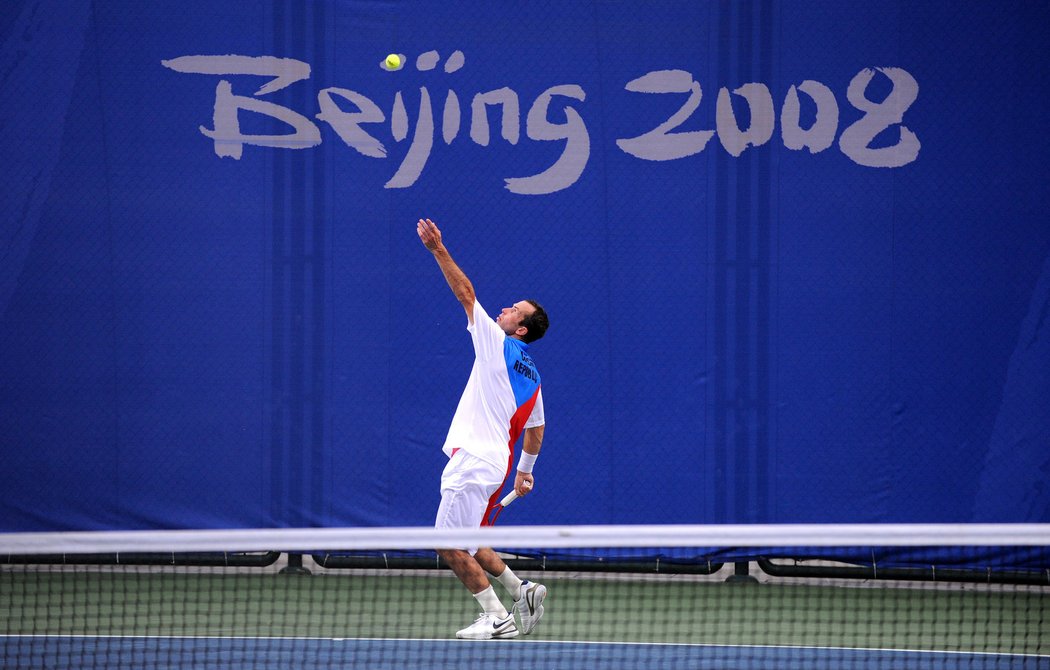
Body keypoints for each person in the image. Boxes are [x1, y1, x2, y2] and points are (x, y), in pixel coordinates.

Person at [416, 217, 550, 640]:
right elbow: (537, 427)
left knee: (448, 543)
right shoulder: (533, 374)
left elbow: (466, 293)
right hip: (493, 464)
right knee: (471, 542)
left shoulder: (498, 342)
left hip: (474, 460)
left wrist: (439, 249)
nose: (505, 309)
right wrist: (525, 471)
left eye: (514, 310)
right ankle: (520, 590)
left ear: (521, 329)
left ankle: (495, 616)